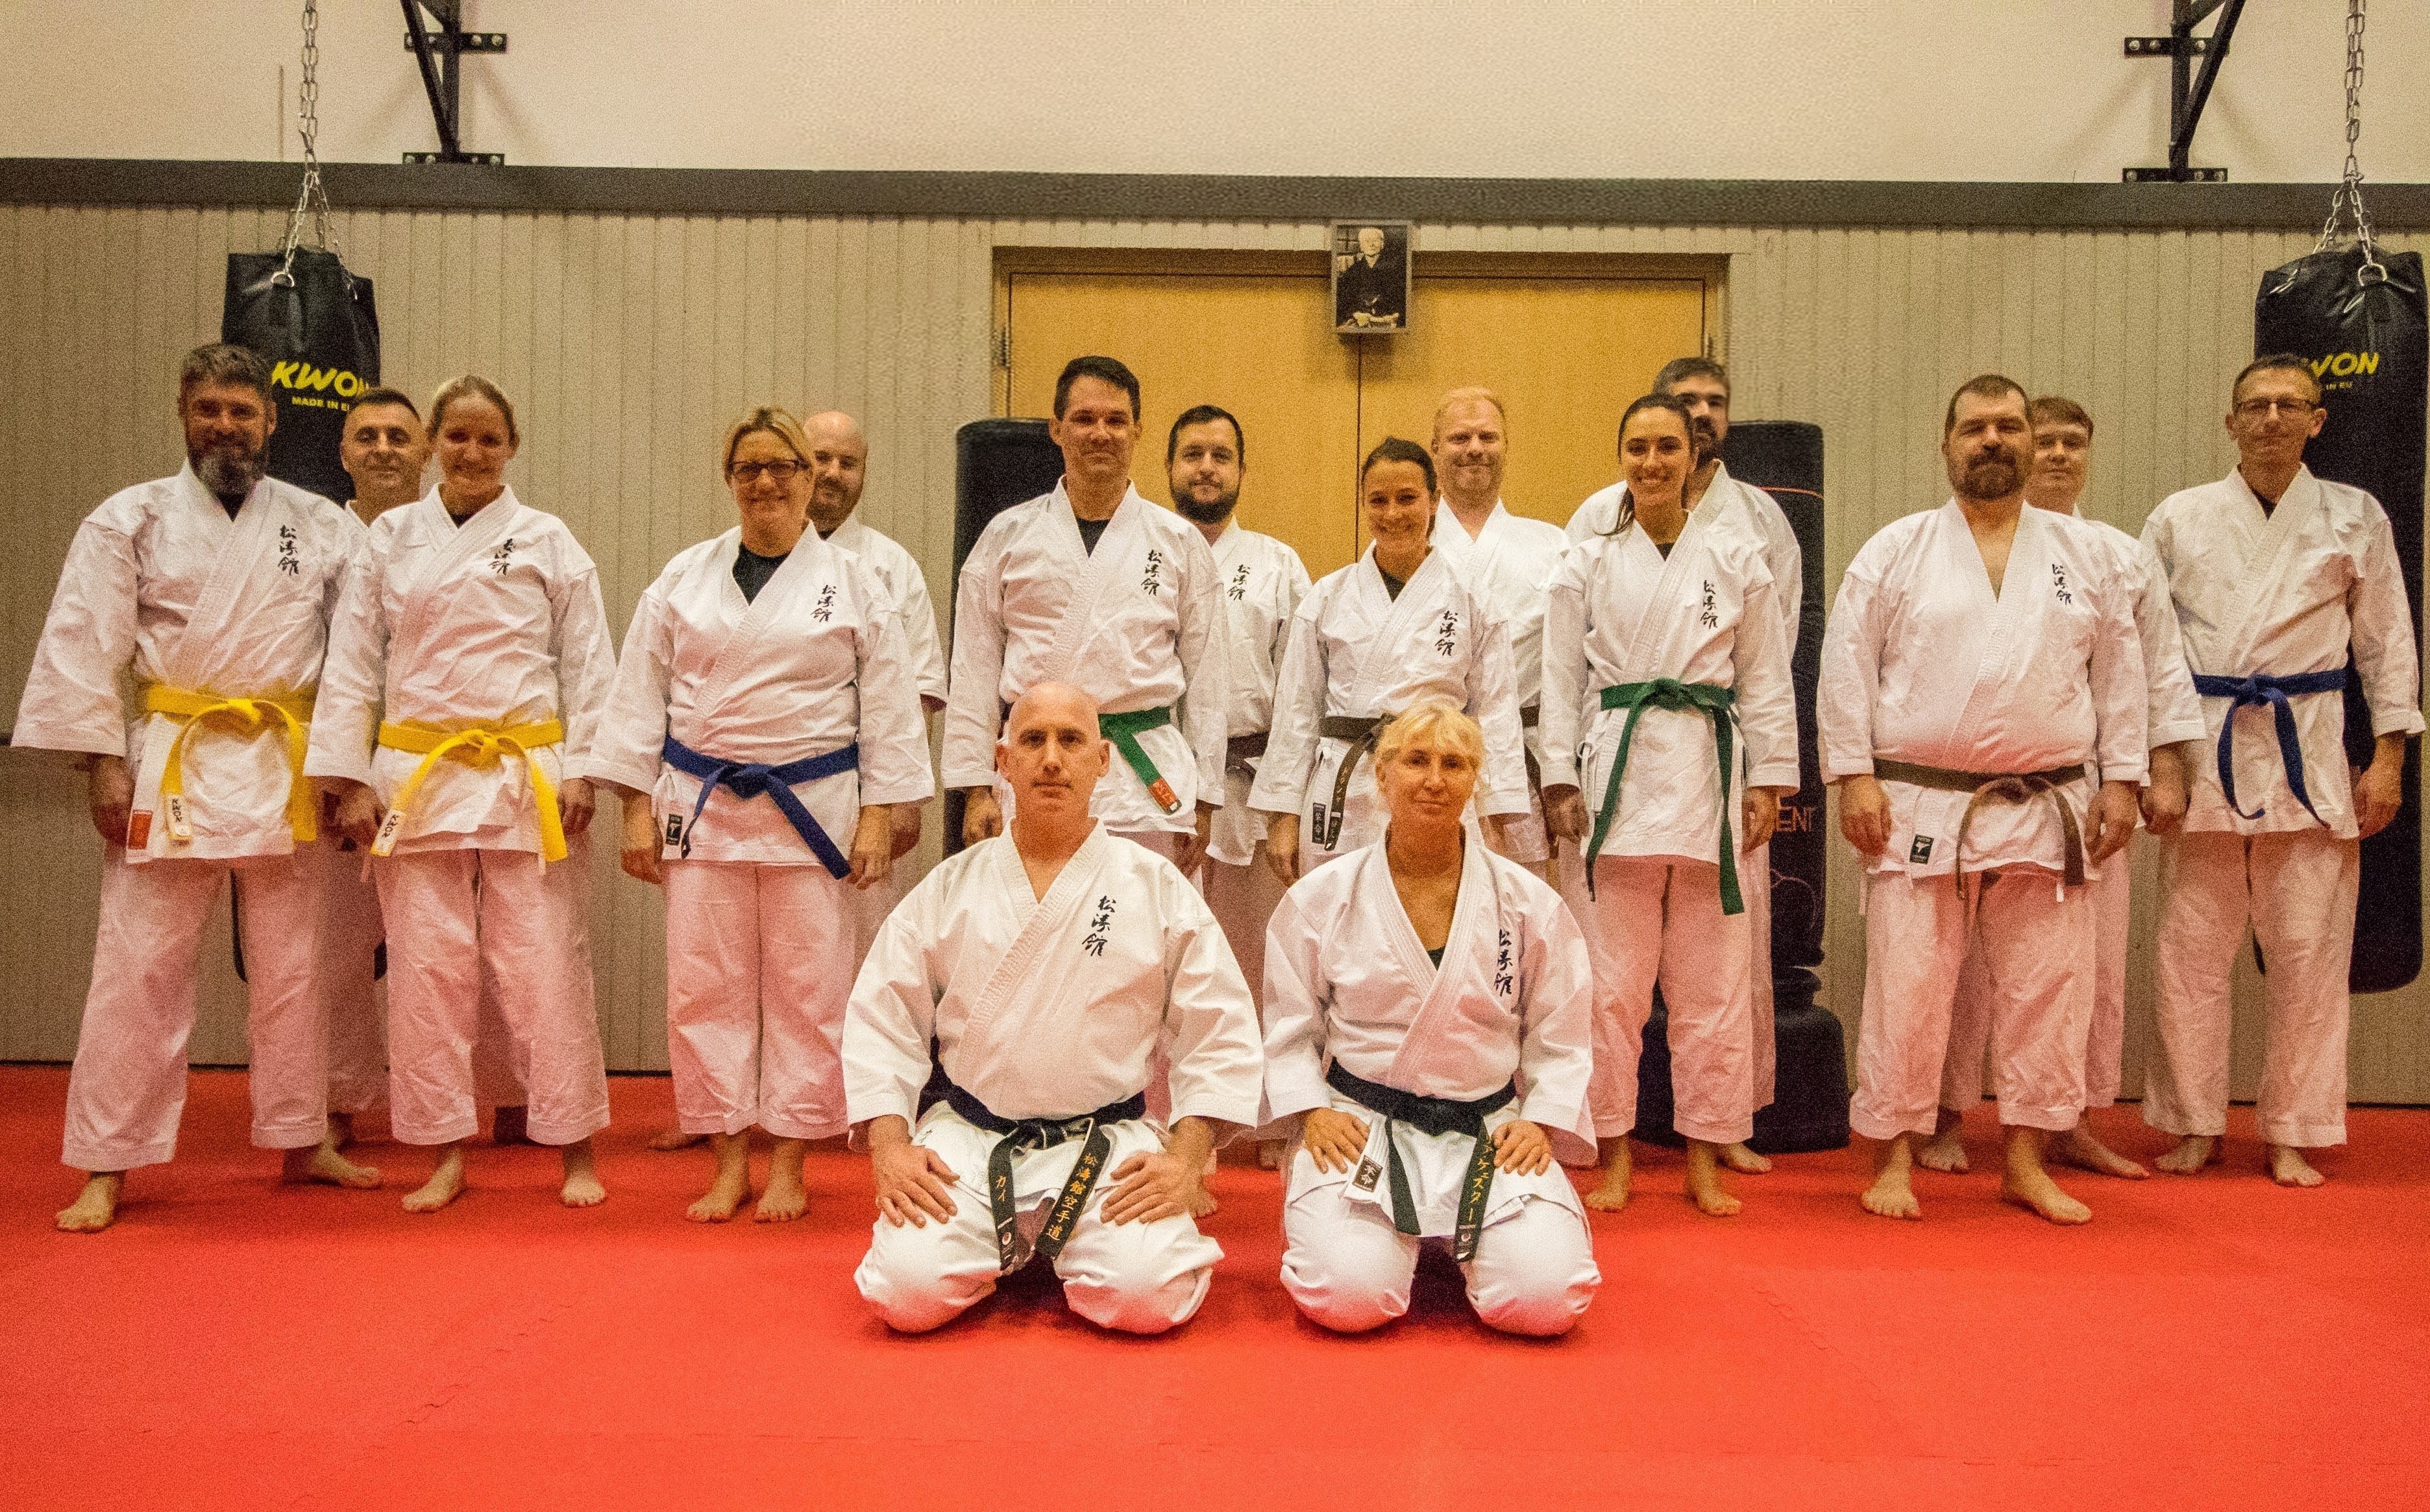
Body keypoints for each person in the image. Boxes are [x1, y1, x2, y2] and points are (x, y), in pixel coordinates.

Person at [18, 342, 379, 1232]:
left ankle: (302, 1137)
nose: (225, 426)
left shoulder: (323, 524)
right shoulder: (130, 518)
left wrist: (344, 770)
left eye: (241, 411)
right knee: (138, 966)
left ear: (271, 420)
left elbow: (356, 659)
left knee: (296, 967)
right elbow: (85, 641)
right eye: (209, 409)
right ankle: (108, 1157)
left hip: (288, 765)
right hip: (172, 755)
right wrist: (103, 762)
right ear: (183, 411)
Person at [580, 407, 933, 1222]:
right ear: (730, 479)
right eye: (750, 468)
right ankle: (730, 1157)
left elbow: (888, 709)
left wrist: (880, 814)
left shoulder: (857, 583)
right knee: (705, 988)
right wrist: (634, 808)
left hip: (814, 808)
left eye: (783, 466)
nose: (766, 481)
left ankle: (791, 1162)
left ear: (808, 478)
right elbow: (638, 697)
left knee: (811, 989)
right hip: (702, 804)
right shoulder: (683, 576)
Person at [1819, 374, 2145, 1225]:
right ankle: (1894, 1156)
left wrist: (2124, 779)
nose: (1992, 439)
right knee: (1909, 987)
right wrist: (1853, 774)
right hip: (1919, 800)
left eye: (2009, 425)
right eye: (1975, 427)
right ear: (1947, 443)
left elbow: (2121, 674)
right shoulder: (1895, 549)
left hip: (2050, 802)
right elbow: (1846, 664)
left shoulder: (2087, 554)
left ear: (2031, 441)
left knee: (2048, 989)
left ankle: (2027, 1160)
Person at [844, 683, 1264, 1335]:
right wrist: (890, 1145)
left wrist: (1187, 1155)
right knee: (906, 1294)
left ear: (1103, 761)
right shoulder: (951, 885)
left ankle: (1040, 1246)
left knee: (1146, 1298)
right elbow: (884, 1015)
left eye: (1071, 741)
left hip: (1104, 1143)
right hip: (970, 1140)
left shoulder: (1152, 884)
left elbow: (1220, 1026)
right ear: (1002, 761)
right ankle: (1015, 1241)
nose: (1050, 759)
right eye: (1032, 740)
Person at [306, 374, 615, 1213]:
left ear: (511, 447)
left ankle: (573, 1145)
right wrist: (349, 777)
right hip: (416, 772)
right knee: (426, 969)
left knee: (545, 961)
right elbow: (352, 660)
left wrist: (586, 767)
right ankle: (443, 1148)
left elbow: (589, 661)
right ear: (434, 443)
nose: (473, 452)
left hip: (525, 769)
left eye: (489, 438)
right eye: (458, 436)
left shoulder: (548, 538)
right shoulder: (391, 537)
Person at [2139, 356, 2422, 1187]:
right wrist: (2160, 760)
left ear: (2317, 420)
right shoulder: (2180, 517)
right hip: (2204, 745)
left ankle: (2294, 1127)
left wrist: (2391, 758)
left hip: (2313, 746)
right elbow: (2149, 649)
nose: (2271, 418)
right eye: (2255, 405)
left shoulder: (2355, 515)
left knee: (2309, 952)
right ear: (2230, 421)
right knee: (2190, 952)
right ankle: (2193, 1121)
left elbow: (2388, 642)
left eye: (2289, 405)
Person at [1919, 396, 2203, 1180]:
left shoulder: (2116, 553)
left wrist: (2157, 769)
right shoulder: (1947, 546)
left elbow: (2153, 667)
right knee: (1960, 967)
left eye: (2072, 442)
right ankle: (1944, 1113)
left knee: (2087, 965)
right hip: (1967, 782)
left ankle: (2067, 1118)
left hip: (2082, 789)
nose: (2056, 454)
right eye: (2042, 440)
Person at [1263, 703, 1599, 1335]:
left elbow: (1561, 1031)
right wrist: (1311, 1111)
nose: (1435, 780)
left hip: (1487, 1127)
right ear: (1382, 775)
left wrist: (1542, 1119)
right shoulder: (1322, 897)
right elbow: (1288, 1029)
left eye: (1455, 764)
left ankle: (1450, 1239)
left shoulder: (1527, 901)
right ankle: (1394, 1235)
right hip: (1363, 1124)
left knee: (1545, 1301)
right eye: (1416, 761)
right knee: (1348, 1298)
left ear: (1475, 779)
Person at [1541, 393, 1797, 1217]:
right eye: (1637, 448)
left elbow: (1765, 676)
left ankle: (1705, 1155)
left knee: (1714, 986)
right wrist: (1558, 777)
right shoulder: (1585, 561)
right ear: (1621, 457)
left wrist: (1769, 778)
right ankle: (1613, 1149)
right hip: (1615, 776)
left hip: (1708, 774)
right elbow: (1560, 680)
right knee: (1611, 987)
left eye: (1666, 447)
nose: (1651, 462)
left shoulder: (1736, 555)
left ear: (1693, 456)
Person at [321, 387, 532, 1149]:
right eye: (366, 436)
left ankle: (513, 1093)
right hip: (373, 767)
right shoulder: (335, 536)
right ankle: (346, 1098)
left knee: (504, 943)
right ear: (343, 452)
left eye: (397, 436)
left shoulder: (517, 536)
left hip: (487, 759)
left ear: (422, 448)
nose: (383, 449)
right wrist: (341, 772)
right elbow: (344, 665)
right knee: (366, 950)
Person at [944, 356, 1225, 873]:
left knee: (1143, 920)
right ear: (1057, 430)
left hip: (1145, 780)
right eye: (1084, 419)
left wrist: (1205, 798)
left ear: (1138, 431)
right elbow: (973, 668)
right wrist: (975, 788)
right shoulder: (1007, 536)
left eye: (1116, 420)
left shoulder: (1179, 542)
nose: (1101, 433)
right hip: (1036, 772)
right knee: (1032, 917)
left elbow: (1208, 677)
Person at [1249, 438, 1529, 883]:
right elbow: (1298, 711)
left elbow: (1495, 711)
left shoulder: (1473, 599)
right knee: (1339, 907)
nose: (1393, 513)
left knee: (1436, 905)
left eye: (1407, 498)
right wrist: (1284, 813)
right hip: (1347, 782)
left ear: (1434, 501)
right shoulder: (1328, 596)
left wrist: (1494, 809)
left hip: (1436, 781)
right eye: (1378, 501)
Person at [1166, 404, 1310, 1010]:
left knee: (1254, 967)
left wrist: (1285, 805)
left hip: (1251, 789)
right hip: (1158, 781)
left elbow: (1303, 697)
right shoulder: (1148, 555)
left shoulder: (1279, 565)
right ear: (1169, 467)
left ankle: (1255, 1079)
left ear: (1242, 471)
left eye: (1221, 456)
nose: (1206, 468)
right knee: (1161, 962)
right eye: (1192, 455)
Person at [1426, 387, 1571, 884]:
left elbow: (1570, 672)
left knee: (1519, 904)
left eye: (1488, 437)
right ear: (1435, 450)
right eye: (1459, 438)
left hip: (1523, 754)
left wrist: (1562, 774)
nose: (1475, 448)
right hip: (1430, 757)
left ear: (1506, 446)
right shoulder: (1409, 544)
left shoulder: (1552, 546)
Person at [1334, 226, 1405, 330]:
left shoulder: (1395, 270)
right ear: (1361, 246)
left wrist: (1395, 316)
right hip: (1360, 322)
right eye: (1367, 241)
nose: (1371, 245)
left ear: (1382, 244)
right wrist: (1356, 314)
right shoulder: (1353, 271)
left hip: (1388, 322)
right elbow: (1342, 300)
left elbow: (1402, 299)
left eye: (1375, 241)